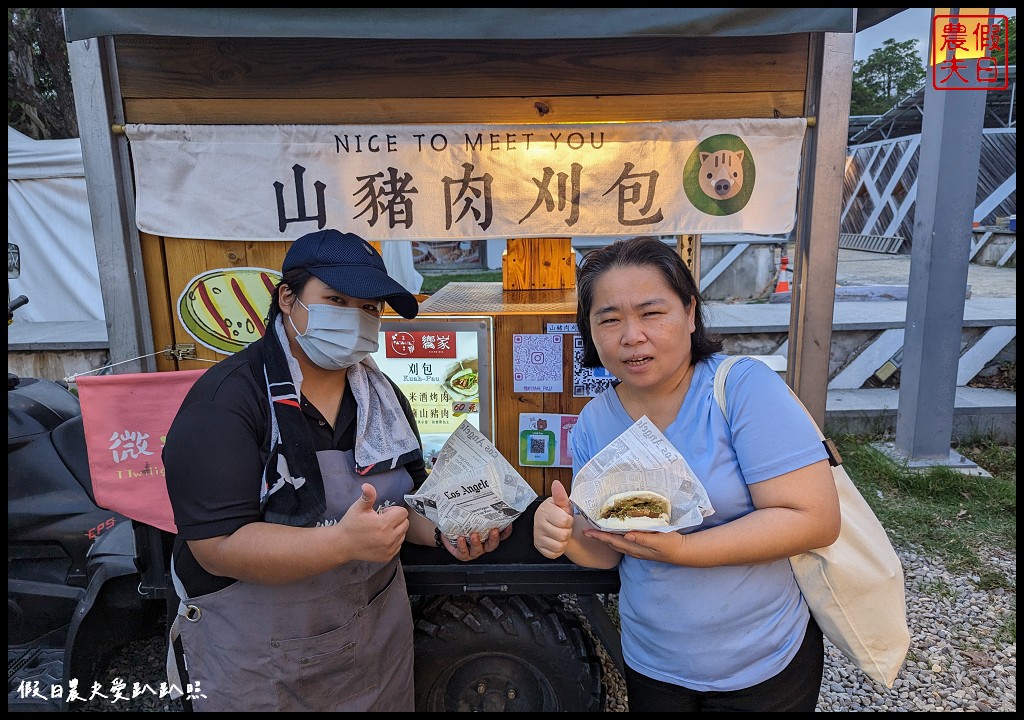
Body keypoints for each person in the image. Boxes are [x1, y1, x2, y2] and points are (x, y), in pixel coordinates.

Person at [162, 229, 511, 711]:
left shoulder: (382, 399)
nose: (356, 318)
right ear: (288, 298)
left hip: (373, 647)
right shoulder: (227, 403)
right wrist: (340, 543)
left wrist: (446, 533)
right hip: (258, 662)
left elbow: (401, 504)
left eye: (370, 308)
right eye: (336, 299)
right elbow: (215, 547)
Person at [533, 236, 841, 712]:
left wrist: (685, 550)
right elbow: (607, 552)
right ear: (590, 331)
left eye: (651, 313)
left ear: (690, 313)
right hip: (653, 664)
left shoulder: (740, 389)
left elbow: (813, 518)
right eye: (609, 319)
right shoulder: (596, 420)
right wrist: (564, 533)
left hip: (763, 663)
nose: (631, 336)